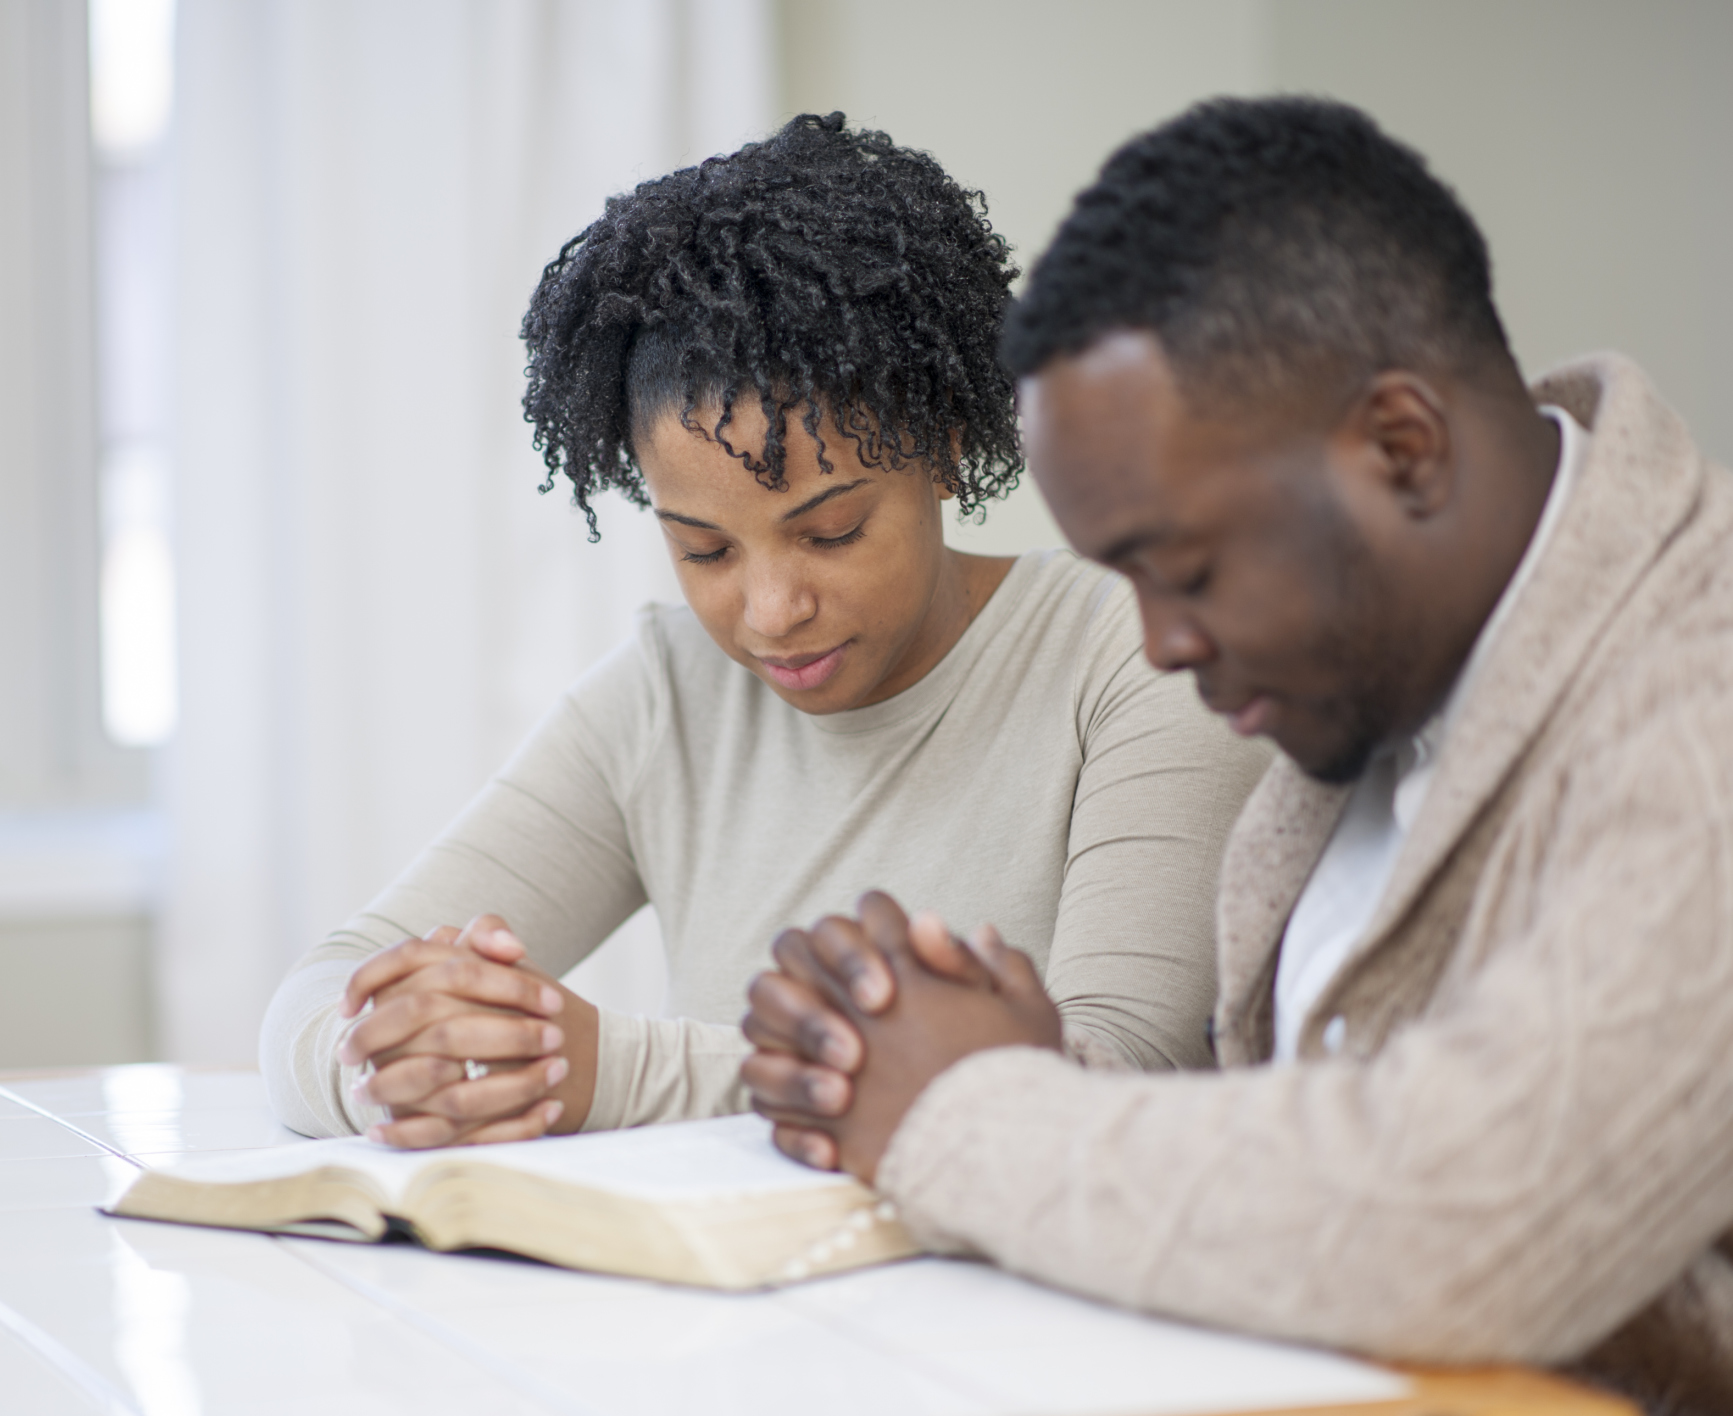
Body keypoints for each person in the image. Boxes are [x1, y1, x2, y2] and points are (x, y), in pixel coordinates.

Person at [739, 97, 1733, 1411]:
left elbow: (1463, 1218)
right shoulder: (1371, 691)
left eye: (1188, 570)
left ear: (1400, 447)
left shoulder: (1696, 707)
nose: (1157, 645)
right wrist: (1006, 1064)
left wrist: (969, 1109)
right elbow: (1306, 1137)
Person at [258, 113, 1268, 1151]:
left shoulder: (1138, 658)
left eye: (830, 532)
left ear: (947, 451)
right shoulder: (667, 698)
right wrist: (400, 1069)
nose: (770, 612)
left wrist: (613, 1071)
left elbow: (1117, 1071)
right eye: (704, 551)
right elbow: (322, 989)